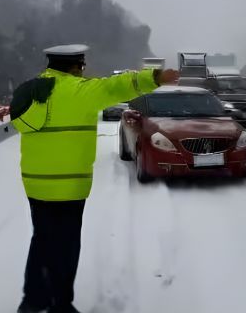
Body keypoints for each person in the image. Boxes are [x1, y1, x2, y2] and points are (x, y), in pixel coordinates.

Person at [10, 44, 178, 313]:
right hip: (70, 185)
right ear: (76, 66)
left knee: (41, 239)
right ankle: (60, 305)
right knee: (66, 246)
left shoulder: (29, 89)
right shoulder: (79, 90)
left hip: (35, 182)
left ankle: (33, 300)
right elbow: (117, 86)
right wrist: (155, 78)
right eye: (82, 66)